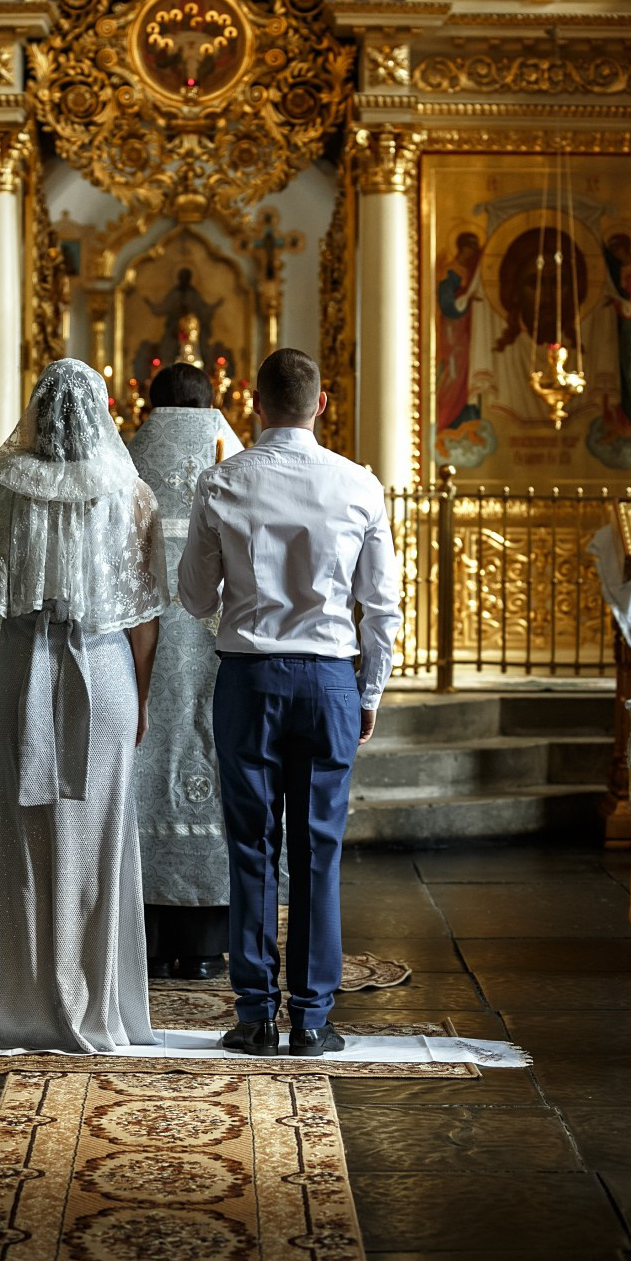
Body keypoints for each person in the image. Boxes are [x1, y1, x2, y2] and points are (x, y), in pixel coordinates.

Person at [178, 348, 402, 1059]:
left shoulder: (222, 481)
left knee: (249, 847)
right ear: (321, 403)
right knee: (317, 850)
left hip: (248, 677)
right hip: (330, 680)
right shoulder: (360, 485)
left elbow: (191, 596)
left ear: (253, 402)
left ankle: (253, 1015)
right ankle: (310, 1018)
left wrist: (243, 599)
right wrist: (368, 693)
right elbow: (382, 610)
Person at [0, 359, 169, 1053]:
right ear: (102, 413)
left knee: (26, 829)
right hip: (103, 671)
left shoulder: (1, 489)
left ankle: (24, 1008)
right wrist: (138, 696)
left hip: (25, 669)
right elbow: (144, 612)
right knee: (101, 830)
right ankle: (101, 1006)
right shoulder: (128, 492)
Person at [127, 361, 246, 980]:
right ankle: (206, 944)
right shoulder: (240, 461)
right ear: (213, 402)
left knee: (143, 766)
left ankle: (142, 935)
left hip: (135, 651)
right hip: (223, 650)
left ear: (148, 403)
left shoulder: (123, 460)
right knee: (215, 769)